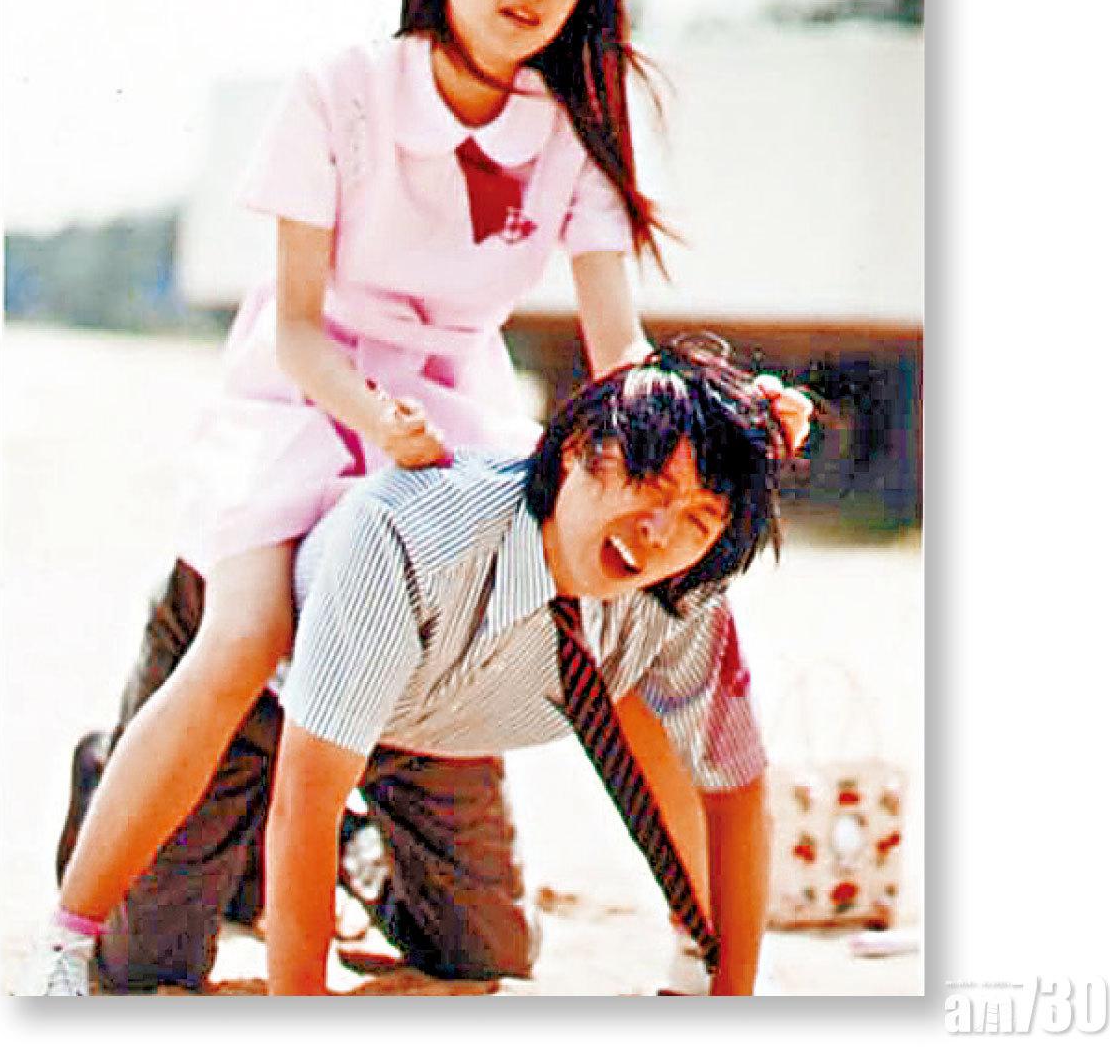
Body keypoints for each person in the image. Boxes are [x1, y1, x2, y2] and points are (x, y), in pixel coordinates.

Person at [30, 0, 812, 994]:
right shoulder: (341, 90)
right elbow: (297, 325)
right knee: (244, 635)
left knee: (627, 620)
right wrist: (372, 418)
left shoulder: (569, 131)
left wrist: (731, 416)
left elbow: (618, 352)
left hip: (456, 404)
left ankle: (698, 937)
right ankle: (68, 931)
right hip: (305, 394)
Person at [49, 339, 789, 995]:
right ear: (575, 450)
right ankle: (116, 772)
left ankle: (341, 851)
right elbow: (306, 797)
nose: (659, 533)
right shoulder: (413, 536)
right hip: (260, 692)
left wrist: (732, 995)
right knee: (145, 959)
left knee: (484, 951)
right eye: (651, 485)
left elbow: (733, 788)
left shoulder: (684, 597)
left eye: (698, 520)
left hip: (421, 718)